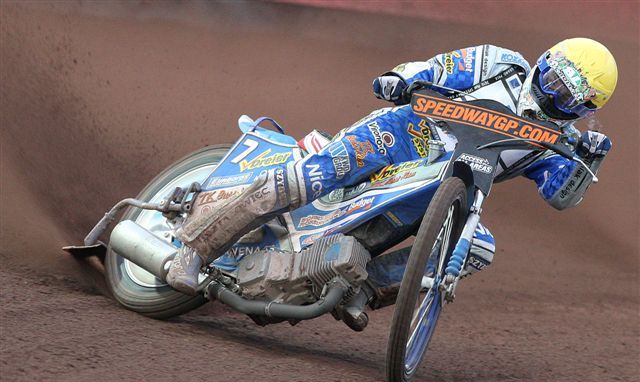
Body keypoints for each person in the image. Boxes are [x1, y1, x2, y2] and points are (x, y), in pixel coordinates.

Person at [166, 38, 617, 296]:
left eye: (567, 95)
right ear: (545, 60)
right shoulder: (503, 65)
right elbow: (440, 68)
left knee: (478, 247)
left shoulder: (556, 142)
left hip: (440, 186)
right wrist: (402, 79)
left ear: (584, 109)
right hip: (400, 135)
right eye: (554, 78)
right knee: (313, 176)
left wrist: (588, 160)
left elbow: (559, 195)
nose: (553, 93)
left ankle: (365, 289)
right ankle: (194, 250)